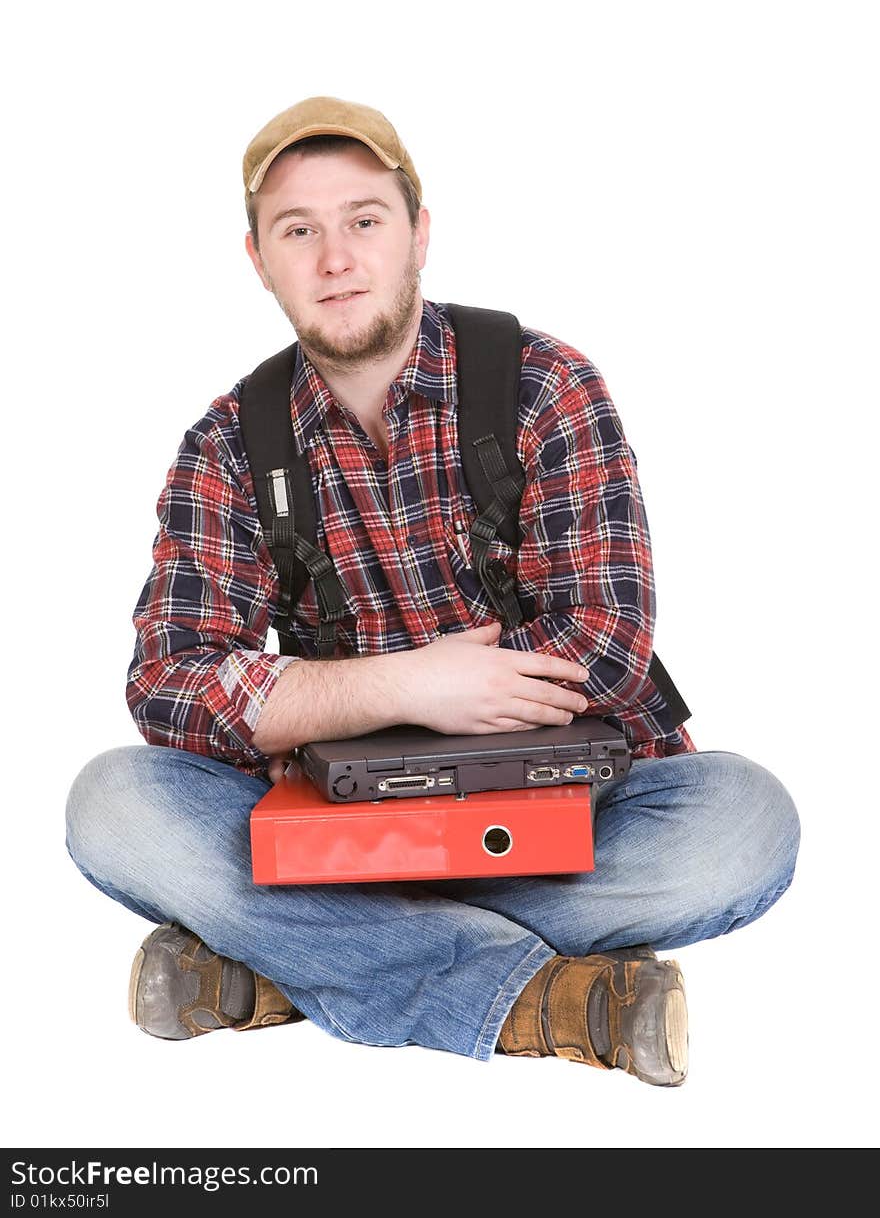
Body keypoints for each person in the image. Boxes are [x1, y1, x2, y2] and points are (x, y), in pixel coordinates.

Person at [65, 95, 800, 1087]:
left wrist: (308, 700)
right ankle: (542, 1000)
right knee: (113, 804)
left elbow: (604, 649)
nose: (335, 259)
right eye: (299, 230)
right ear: (258, 258)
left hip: (562, 824)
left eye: (364, 220)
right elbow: (170, 686)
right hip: (336, 833)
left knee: (745, 823)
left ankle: (284, 963)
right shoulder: (229, 445)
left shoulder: (542, 384)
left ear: (419, 233)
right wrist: (407, 686)